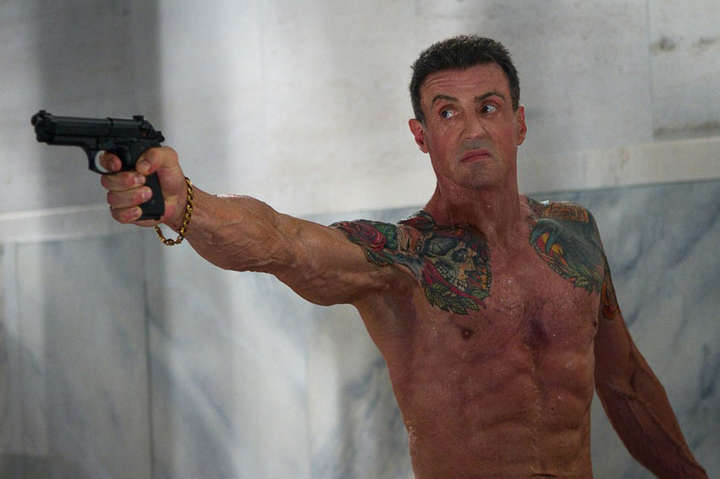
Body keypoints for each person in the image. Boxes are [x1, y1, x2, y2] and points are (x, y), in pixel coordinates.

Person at [100, 36, 707, 478]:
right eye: (448, 112)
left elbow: (626, 382)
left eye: (488, 108)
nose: (472, 130)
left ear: (519, 124)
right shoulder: (402, 260)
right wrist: (185, 204)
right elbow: (282, 242)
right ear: (421, 135)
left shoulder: (574, 235)